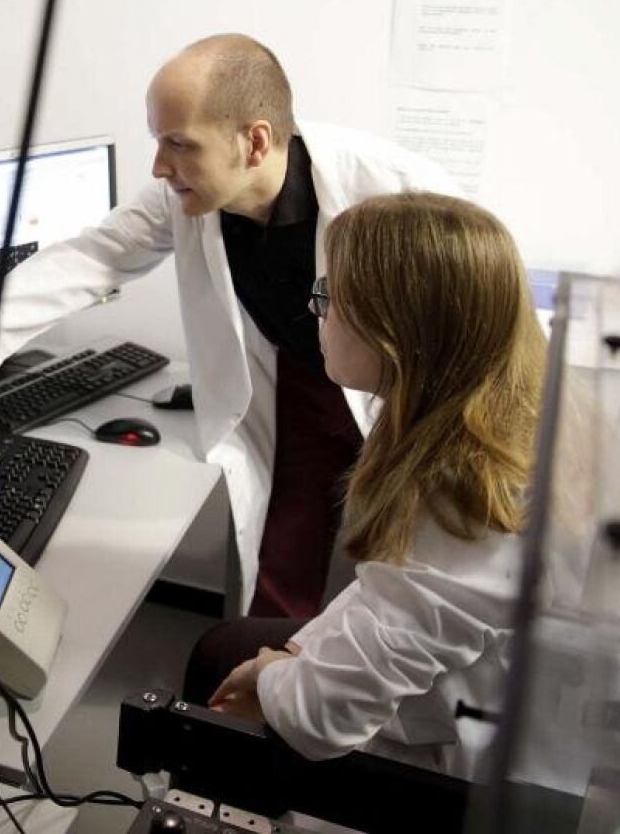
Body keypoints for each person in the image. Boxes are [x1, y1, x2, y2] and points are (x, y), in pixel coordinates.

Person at [0, 34, 459, 617]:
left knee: (412, 572)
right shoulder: (189, 197)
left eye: (179, 144)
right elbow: (98, 254)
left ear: (255, 142)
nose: (160, 167)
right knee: (283, 559)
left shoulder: (395, 189)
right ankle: (265, 665)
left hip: (412, 397)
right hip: (299, 388)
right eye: (159, 141)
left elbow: (481, 319)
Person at [189, 191, 547, 781]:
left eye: (330, 295)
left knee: (223, 669)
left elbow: (323, 718)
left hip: (469, 768)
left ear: (397, 326)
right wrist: (302, 653)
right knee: (226, 643)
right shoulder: (487, 412)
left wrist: (274, 675)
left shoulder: (465, 487)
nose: (315, 310)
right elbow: (392, 597)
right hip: (455, 685)